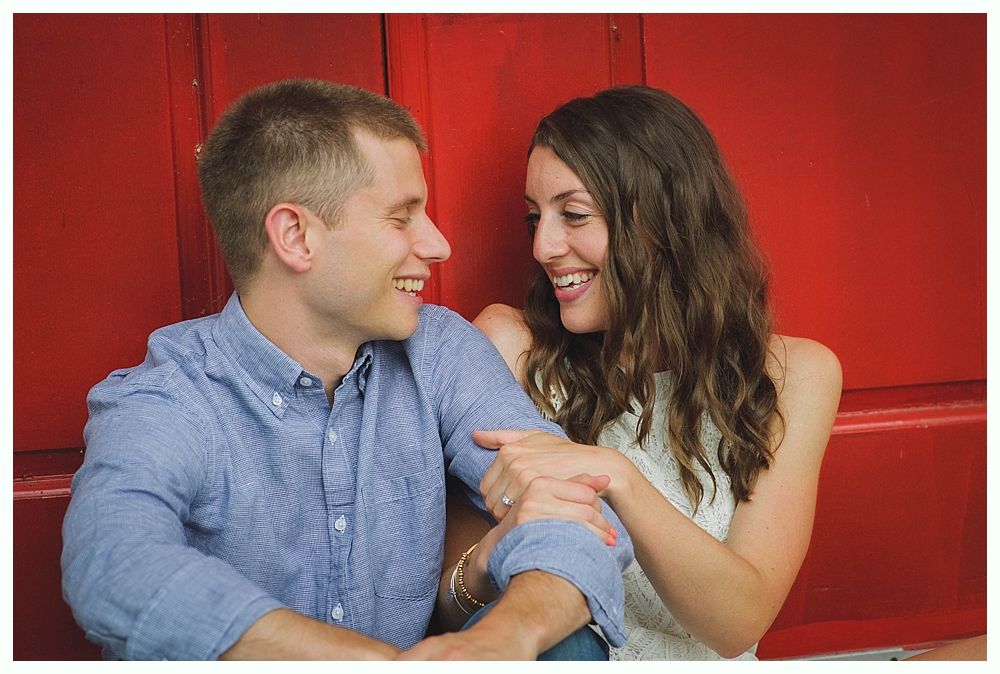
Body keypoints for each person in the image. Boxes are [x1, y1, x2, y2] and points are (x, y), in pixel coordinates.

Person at [61, 79, 633, 660]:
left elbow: (586, 513)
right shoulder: (169, 397)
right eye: (402, 217)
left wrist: (502, 637)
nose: (438, 245)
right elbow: (113, 564)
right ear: (296, 236)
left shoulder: (440, 351)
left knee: (568, 647)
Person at [463, 85, 843, 660]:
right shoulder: (513, 348)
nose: (542, 246)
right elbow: (467, 579)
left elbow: (736, 623)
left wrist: (619, 475)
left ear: (660, 222)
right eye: (534, 218)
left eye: (574, 215)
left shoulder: (797, 375)